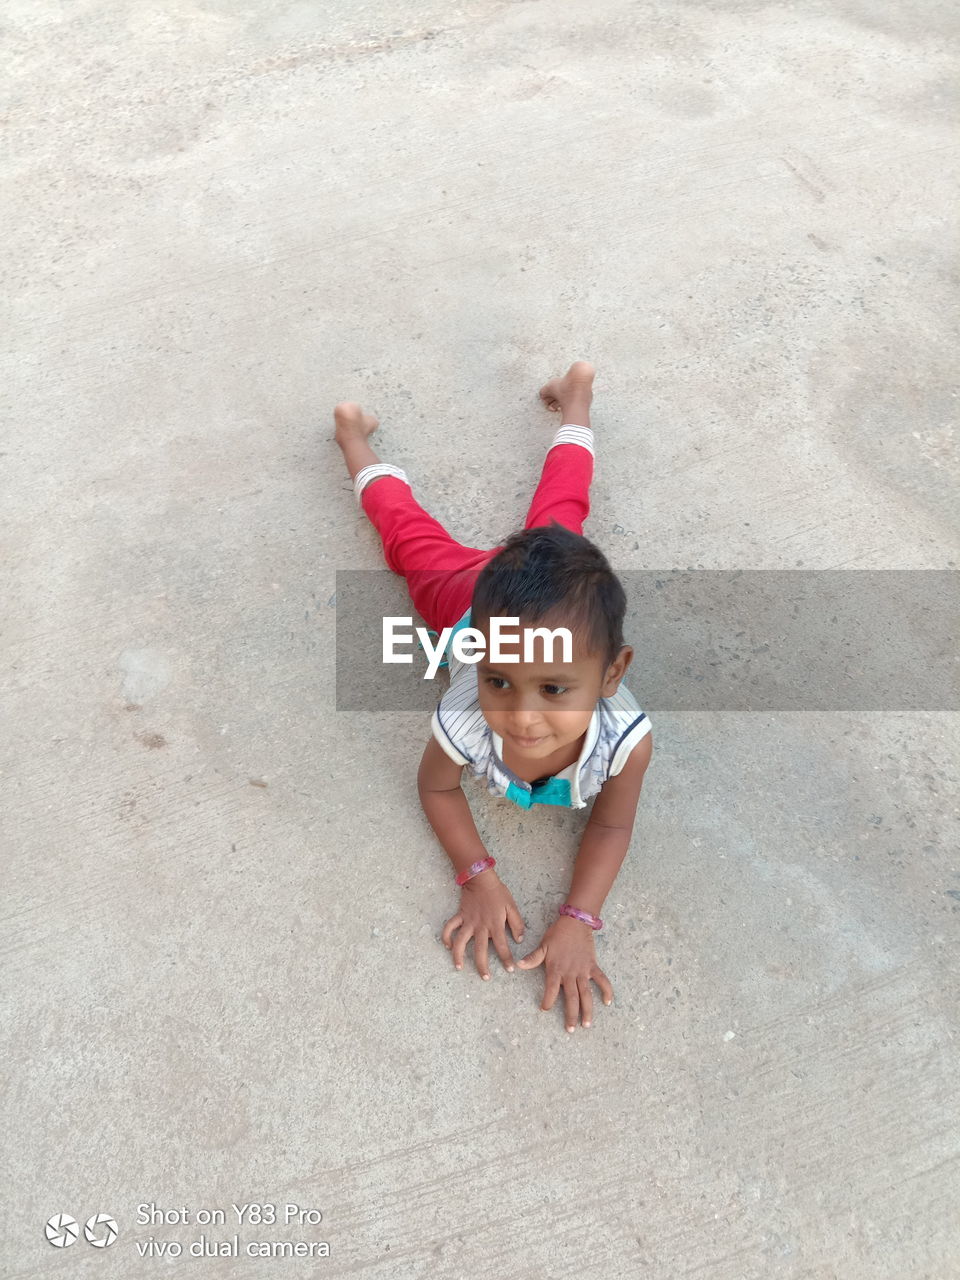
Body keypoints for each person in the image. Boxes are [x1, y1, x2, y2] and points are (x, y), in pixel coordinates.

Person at [333, 361, 653, 1032]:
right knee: (407, 534)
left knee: (565, 508)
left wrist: (579, 918)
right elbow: (437, 788)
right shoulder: (464, 714)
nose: (520, 715)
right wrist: (476, 874)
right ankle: (353, 438)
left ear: (613, 673)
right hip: (465, 602)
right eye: (498, 680)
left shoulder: (628, 739)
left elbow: (614, 824)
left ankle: (578, 396)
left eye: (555, 689)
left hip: (534, 603)